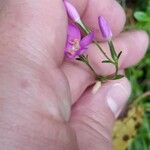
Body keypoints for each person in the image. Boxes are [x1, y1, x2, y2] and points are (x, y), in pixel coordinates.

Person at [0, 0, 148, 150]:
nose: (74, 44)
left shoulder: (84, 44)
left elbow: (84, 42)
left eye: (76, 44)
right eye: (73, 44)